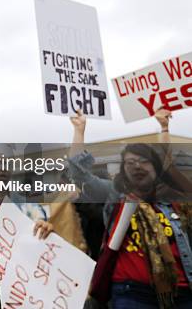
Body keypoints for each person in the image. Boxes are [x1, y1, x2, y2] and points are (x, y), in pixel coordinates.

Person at [69, 108, 192, 308]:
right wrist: (79, 131)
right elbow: (79, 173)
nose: (137, 167)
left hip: (181, 290)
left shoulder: (173, 199)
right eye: (130, 162)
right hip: (131, 292)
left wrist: (164, 128)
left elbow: (169, 164)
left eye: (144, 162)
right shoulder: (115, 194)